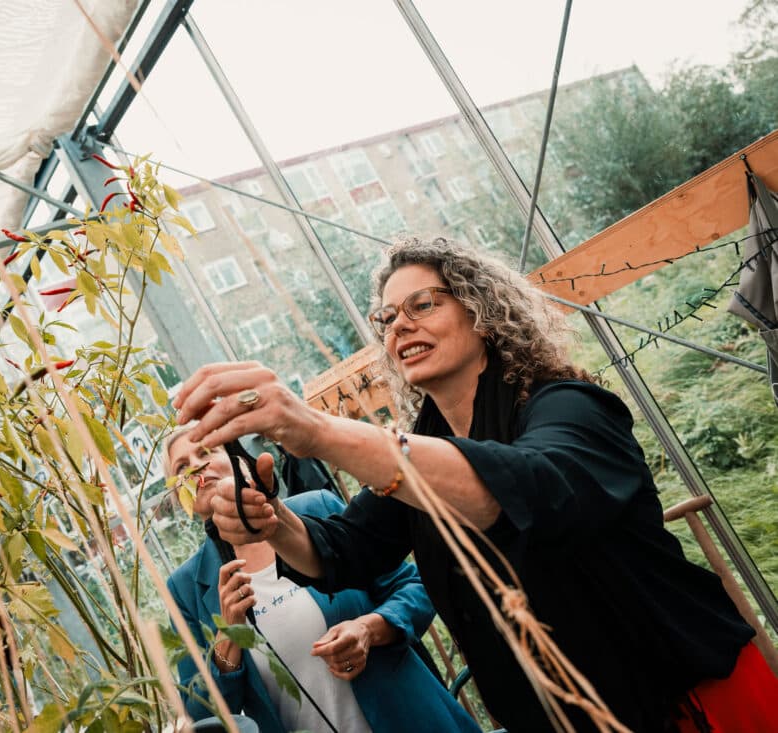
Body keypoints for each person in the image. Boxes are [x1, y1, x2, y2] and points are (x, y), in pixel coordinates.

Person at [171, 236, 778, 733]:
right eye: (386, 318)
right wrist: (273, 521)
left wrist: (317, 430)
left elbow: (523, 488)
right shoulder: (422, 447)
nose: (398, 326)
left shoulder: (566, 406)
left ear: (481, 310)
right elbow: (344, 550)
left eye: (423, 305)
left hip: (683, 699)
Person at [163, 425, 481, 733]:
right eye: (181, 466)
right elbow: (204, 716)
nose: (195, 465)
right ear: (180, 497)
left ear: (238, 457)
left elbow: (413, 585)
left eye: (206, 450)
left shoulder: (316, 508)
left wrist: (369, 629)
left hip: (409, 718)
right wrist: (227, 638)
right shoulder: (185, 588)